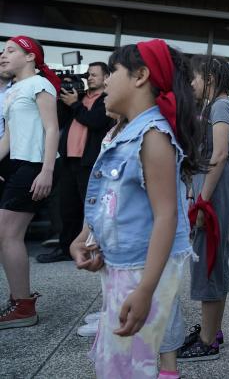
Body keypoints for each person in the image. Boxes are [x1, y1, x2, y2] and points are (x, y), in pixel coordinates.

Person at [69, 39, 203, 378]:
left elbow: (166, 216)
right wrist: (89, 238)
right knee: (115, 357)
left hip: (141, 269)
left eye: (113, 71)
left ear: (140, 75)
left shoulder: (153, 136)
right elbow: (112, 199)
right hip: (126, 261)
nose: (105, 80)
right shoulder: (125, 131)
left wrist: (145, 290)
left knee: (126, 365)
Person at [177, 55, 229, 361]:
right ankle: (211, 330)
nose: (191, 83)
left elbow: (218, 155)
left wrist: (202, 201)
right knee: (208, 255)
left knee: (210, 256)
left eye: (195, 77)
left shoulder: (221, 106)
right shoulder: (210, 107)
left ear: (211, 79)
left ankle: (208, 340)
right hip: (209, 184)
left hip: (216, 186)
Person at [0, 36, 60, 329]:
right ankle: (19, 301)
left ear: (30, 57)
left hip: (35, 166)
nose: (3, 55)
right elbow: (8, 138)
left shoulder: (40, 85)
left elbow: (52, 129)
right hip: (17, 164)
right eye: (3, 50)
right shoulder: (14, 90)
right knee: (6, 234)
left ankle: (22, 306)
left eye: (11, 50)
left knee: (7, 233)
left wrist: (47, 171)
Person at [37, 62, 113, 263]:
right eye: (88, 75)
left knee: (90, 207)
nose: (90, 78)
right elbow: (59, 120)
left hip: (90, 162)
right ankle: (65, 249)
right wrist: (65, 98)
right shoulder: (78, 97)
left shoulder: (108, 99)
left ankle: (94, 249)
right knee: (67, 208)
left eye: (95, 75)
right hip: (69, 160)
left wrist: (74, 104)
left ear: (106, 77)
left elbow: (96, 121)